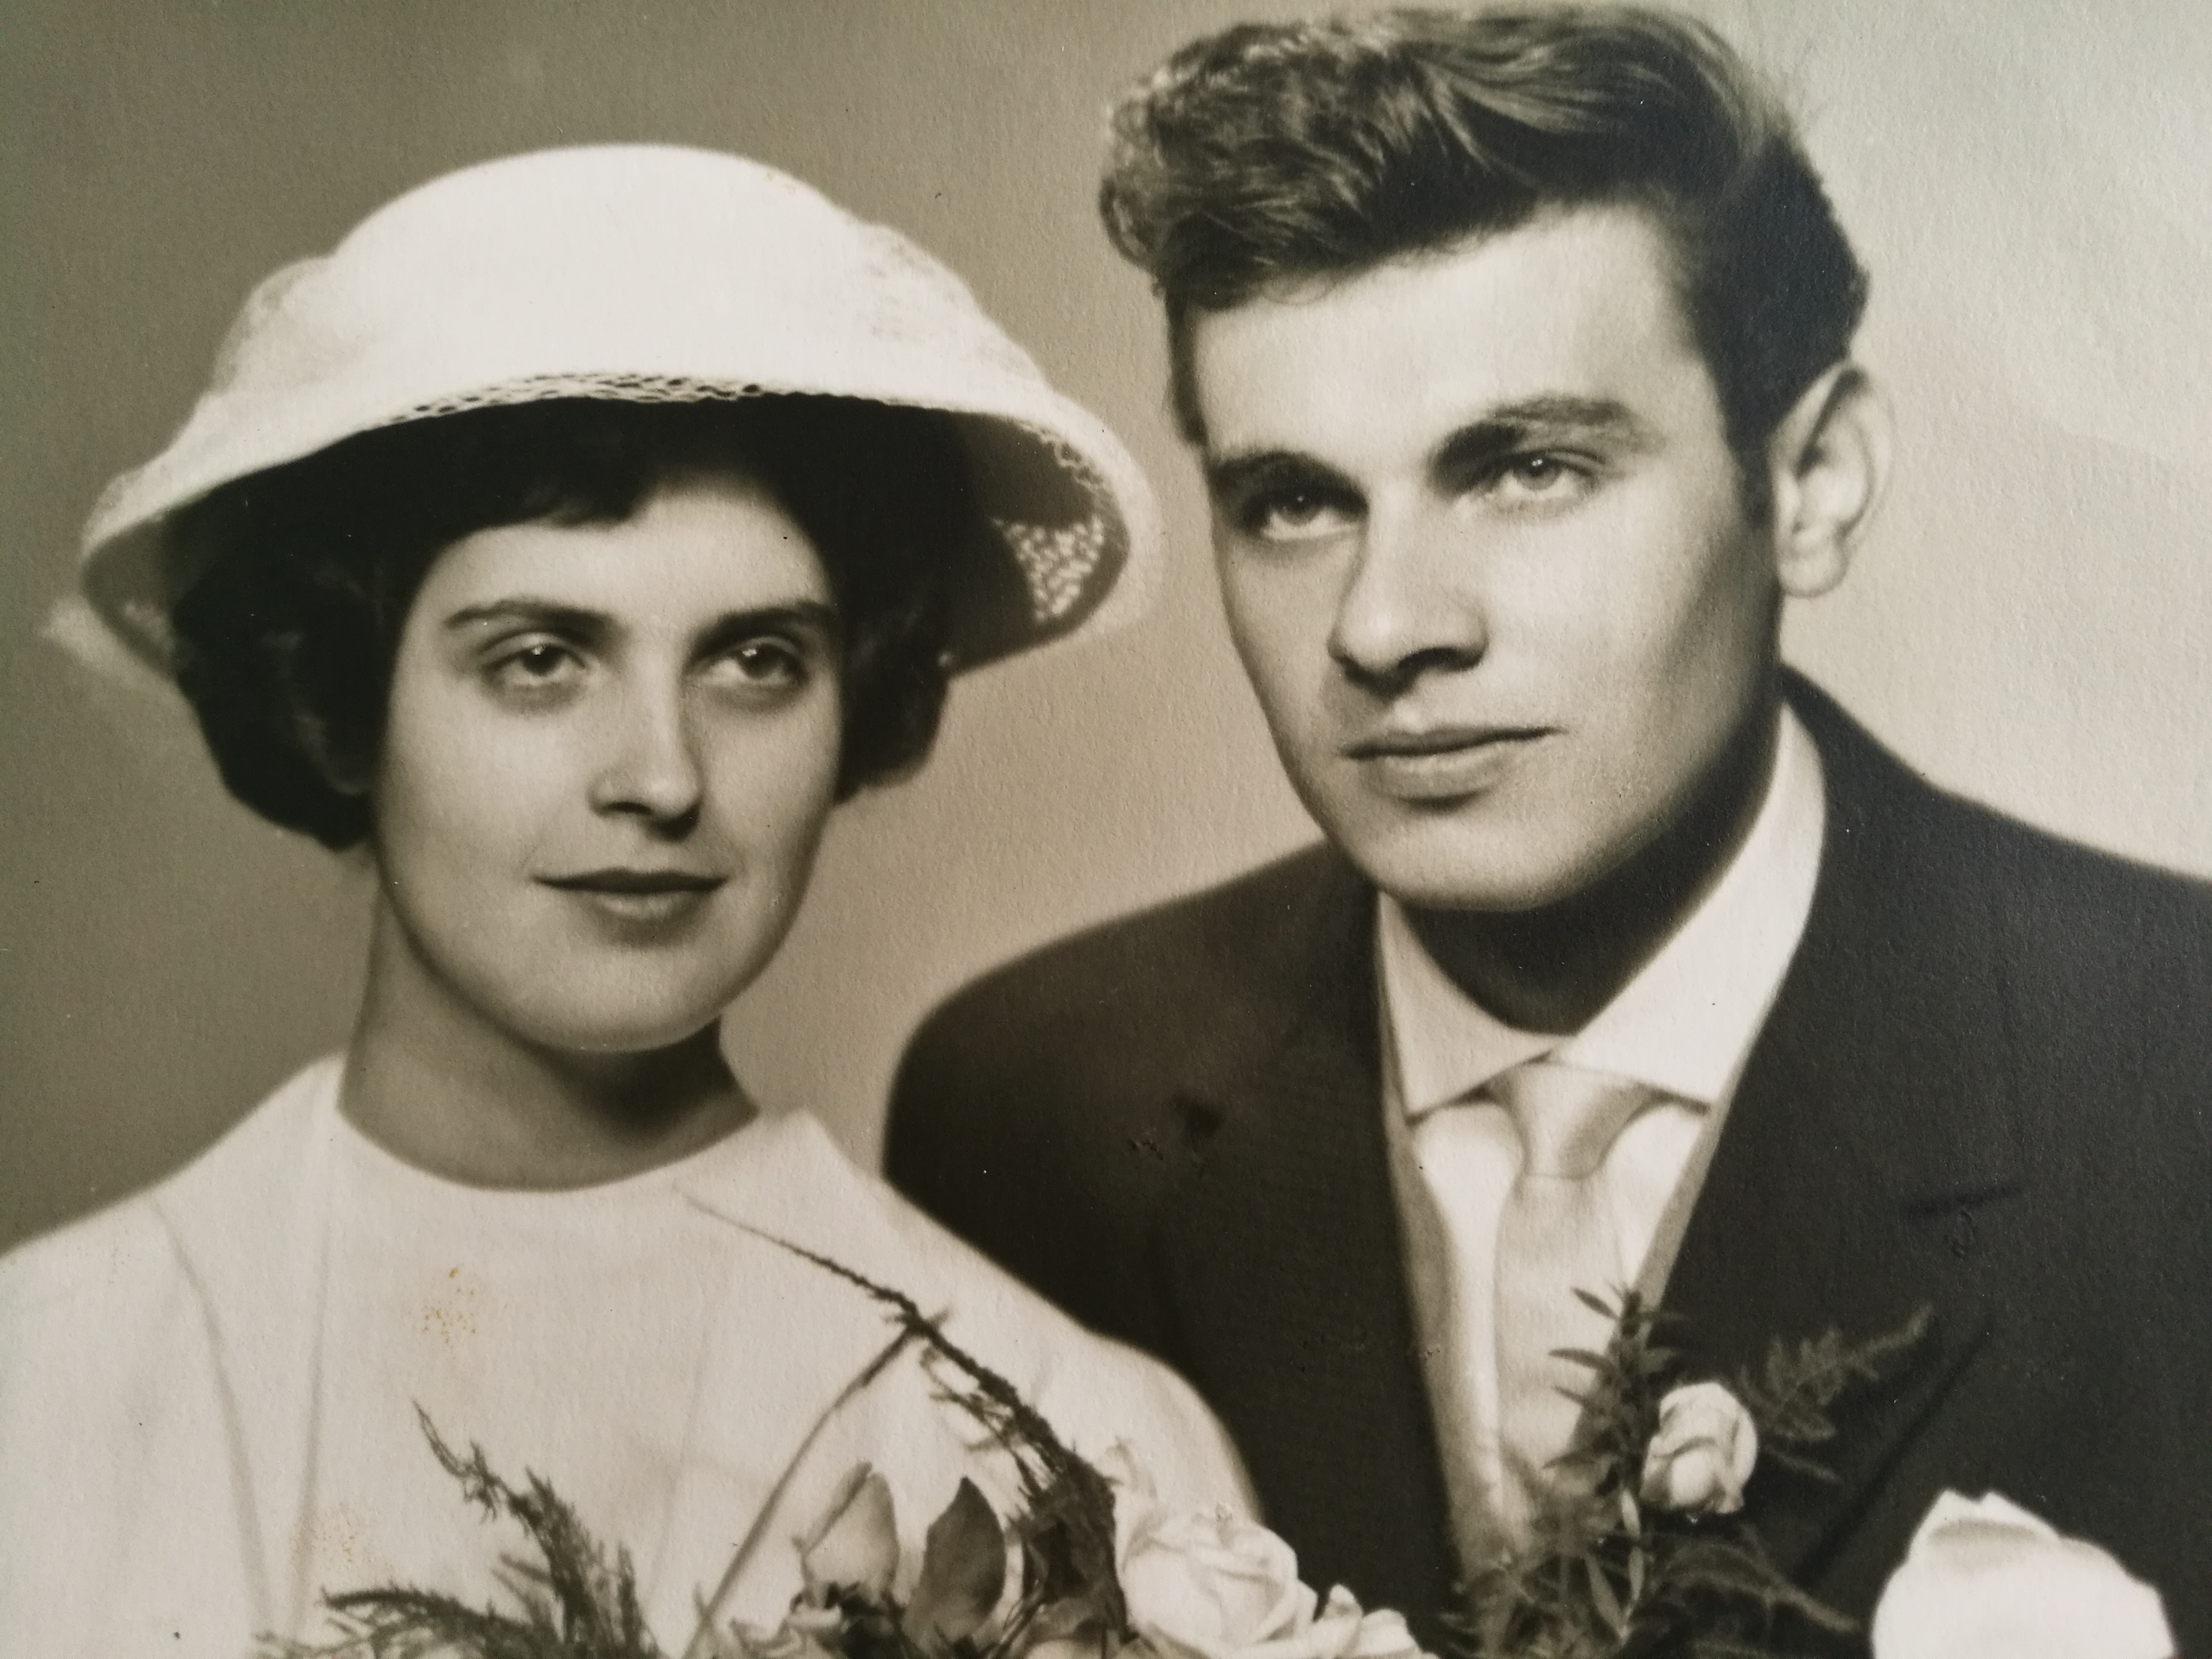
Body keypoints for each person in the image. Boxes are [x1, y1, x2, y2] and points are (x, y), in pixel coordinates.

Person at [885, 6, 2212, 1651]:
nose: (1385, 626)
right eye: (1293, 501)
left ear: (1811, 483)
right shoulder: (1027, 1108)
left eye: (1526, 469)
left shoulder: (2178, 1071)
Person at [0, 145, 1247, 1659]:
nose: (661, 775)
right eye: (539, 659)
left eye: (757, 661)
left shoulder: (1088, 1456)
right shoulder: (46, 1376)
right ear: (340, 699)